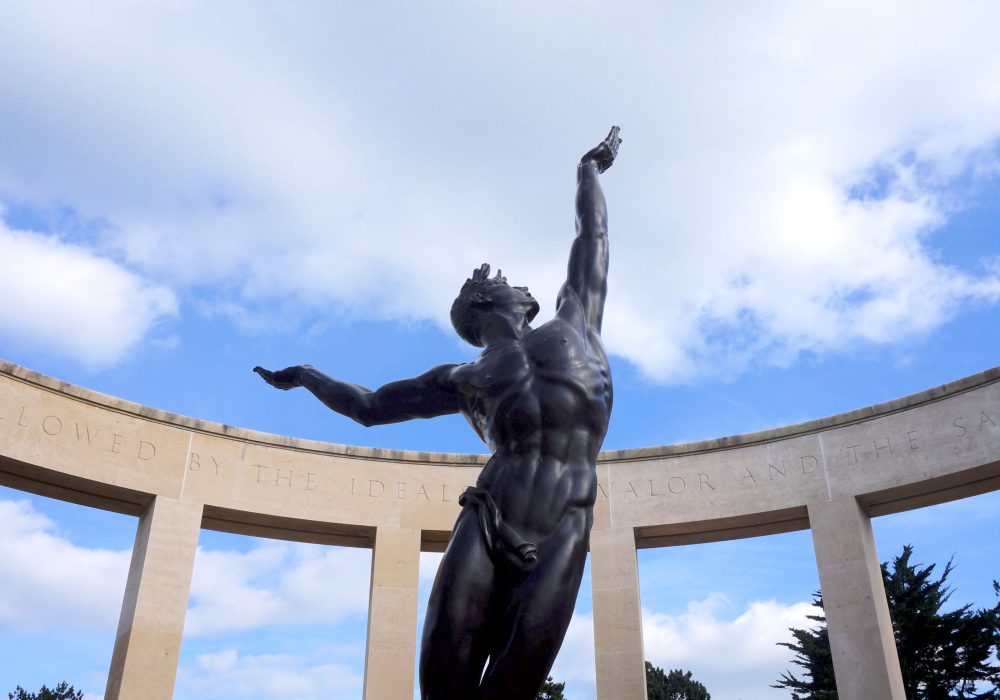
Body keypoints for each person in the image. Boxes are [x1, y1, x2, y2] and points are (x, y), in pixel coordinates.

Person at [254, 126, 621, 700]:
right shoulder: (462, 378)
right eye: (503, 281)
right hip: (489, 512)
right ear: (483, 304)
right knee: (444, 675)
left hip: (563, 525)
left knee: (516, 680)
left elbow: (592, 238)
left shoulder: (574, 322)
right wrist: (307, 376)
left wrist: (588, 172)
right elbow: (371, 407)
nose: (520, 283)